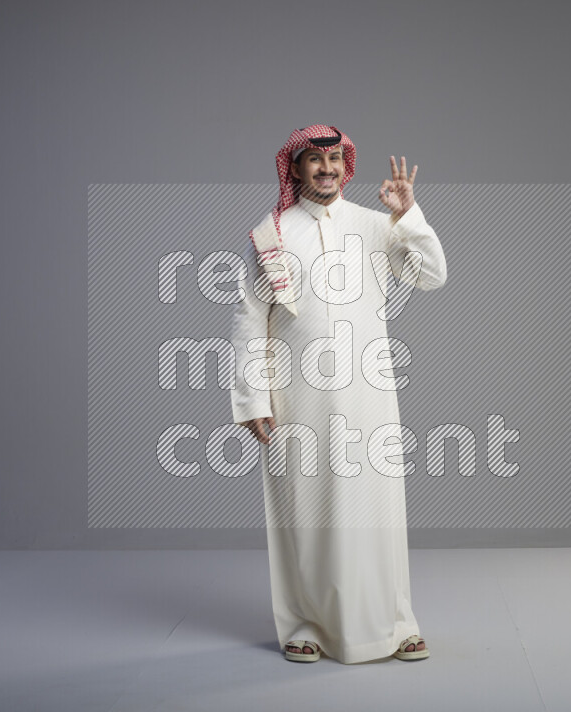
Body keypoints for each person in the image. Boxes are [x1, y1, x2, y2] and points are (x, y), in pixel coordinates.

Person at [229, 124, 447, 664]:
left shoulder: (376, 226)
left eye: (334, 158)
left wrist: (407, 215)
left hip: (369, 393)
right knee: (302, 510)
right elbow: (249, 321)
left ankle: (397, 623)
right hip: (296, 397)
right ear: (295, 168)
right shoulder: (270, 234)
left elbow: (433, 276)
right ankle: (305, 624)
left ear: (345, 165)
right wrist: (253, 398)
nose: (325, 167)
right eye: (313, 159)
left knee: (378, 509)